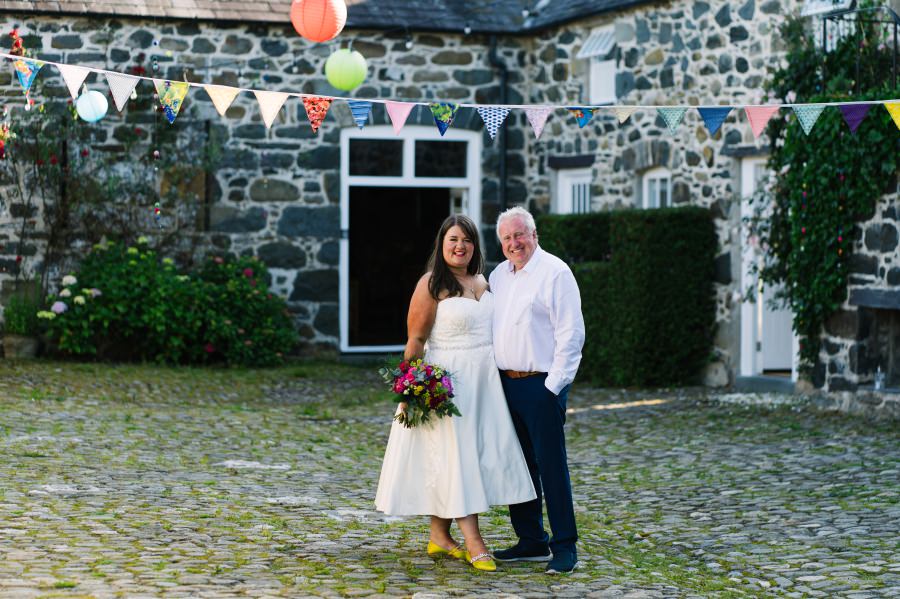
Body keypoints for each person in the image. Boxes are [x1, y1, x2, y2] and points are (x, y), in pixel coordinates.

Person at [375, 214, 536, 572]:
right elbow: (415, 340)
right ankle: (475, 542)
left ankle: (439, 536)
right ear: (441, 245)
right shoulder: (431, 284)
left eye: (466, 240)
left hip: (486, 384)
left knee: (463, 457)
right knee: (459, 457)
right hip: (448, 385)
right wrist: (411, 387)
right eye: (452, 240)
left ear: (475, 246)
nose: (460, 246)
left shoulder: (485, 281)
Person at [488, 206, 585, 575]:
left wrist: (553, 387)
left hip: (542, 385)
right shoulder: (499, 276)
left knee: (551, 467)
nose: (515, 243)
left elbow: (571, 334)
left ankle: (565, 546)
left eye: (520, 235)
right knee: (519, 466)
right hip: (506, 385)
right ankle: (531, 540)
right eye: (507, 238)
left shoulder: (555, 272)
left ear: (534, 234)